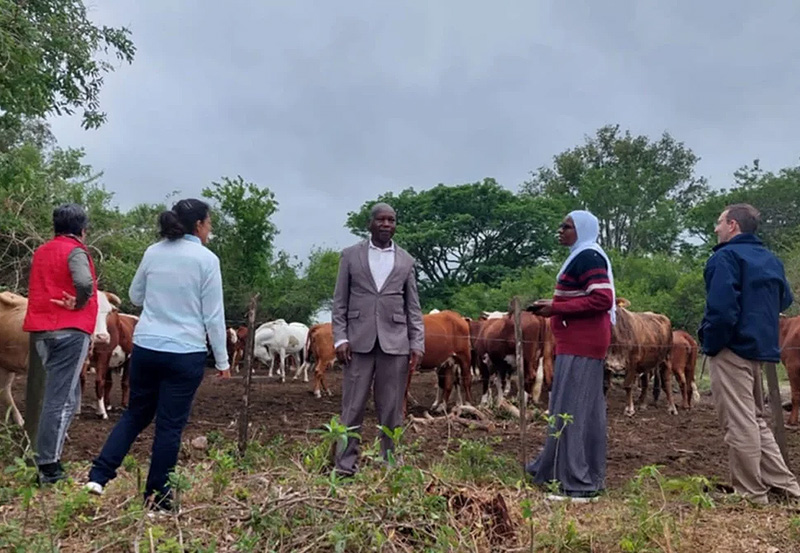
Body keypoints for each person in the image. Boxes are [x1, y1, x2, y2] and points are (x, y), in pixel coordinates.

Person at [85, 199, 230, 512]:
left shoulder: (153, 251)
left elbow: (135, 295)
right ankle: (157, 499)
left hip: (148, 347)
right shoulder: (207, 260)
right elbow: (214, 316)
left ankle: (98, 475)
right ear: (198, 225)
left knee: (136, 413)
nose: (210, 229)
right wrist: (223, 361)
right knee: (169, 427)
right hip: (185, 352)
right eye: (209, 223)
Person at [699, 203, 800, 505]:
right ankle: (787, 487)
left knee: (738, 422)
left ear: (732, 225)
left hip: (731, 348)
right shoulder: (769, 259)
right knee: (754, 419)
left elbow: (721, 309)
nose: (715, 228)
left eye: (719, 223)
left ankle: (750, 494)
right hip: (760, 349)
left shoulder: (726, 258)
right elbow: (784, 297)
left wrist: (711, 341)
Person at [525, 210, 615, 503]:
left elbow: (603, 298)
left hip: (583, 342)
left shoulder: (590, 257)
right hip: (575, 341)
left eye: (567, 226)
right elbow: (580, 295)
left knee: (574, 409)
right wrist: (553, 304)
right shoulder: (581, 255)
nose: (560, 230)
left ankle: (579, 483)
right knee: (569, 407)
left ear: (583, 230)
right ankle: (557, 471)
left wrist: (558, 309)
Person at [331, 202, 424, 476]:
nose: (386, 224)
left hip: (395, 344)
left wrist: (417, 343)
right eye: (381, 220)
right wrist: (339, 339)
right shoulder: (350, 256)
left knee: (392, 409)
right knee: (352, 406)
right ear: (370, 223)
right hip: (357, 344)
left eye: (392, 220)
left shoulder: (406, 260)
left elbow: (413, 307)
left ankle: (390, 465)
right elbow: (340, 303)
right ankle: (345, 466)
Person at [23, 204, 98, 485]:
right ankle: (49, 467)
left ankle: (50, 457)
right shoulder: (75, 250)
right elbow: (84, 281)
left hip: (40, 331)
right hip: (69, 330)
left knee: (67, 397)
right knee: (61, 400)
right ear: (82, 229)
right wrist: (79, 301)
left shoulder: (41, 251)